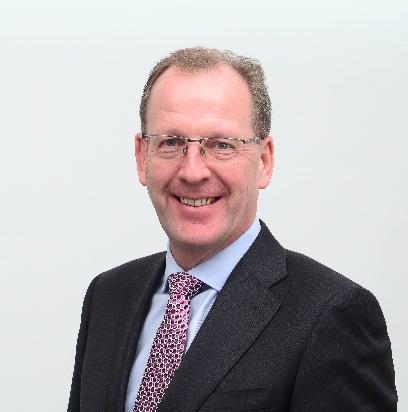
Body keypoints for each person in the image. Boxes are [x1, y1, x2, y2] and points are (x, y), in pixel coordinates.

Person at [68, 47, 397, 412]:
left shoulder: (331, 314)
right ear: (142, 156)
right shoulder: (108, 296)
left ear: (264, 161)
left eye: (222, 145)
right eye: (172, 143)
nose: (193, 172)